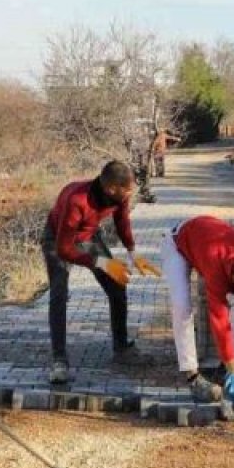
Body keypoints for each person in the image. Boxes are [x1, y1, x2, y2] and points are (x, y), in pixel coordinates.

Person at [41, 160, 159, 384]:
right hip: (57, 238)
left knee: (117, 285)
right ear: (111, 188)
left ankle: (122, 348)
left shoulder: (120, 196)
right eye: (127, 190)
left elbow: (122, 221)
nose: (130, 193)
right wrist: (102, 264)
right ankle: (59, 359)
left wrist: (133, 253)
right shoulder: (78, 200)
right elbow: (64, 249)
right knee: (59, 295)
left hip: (88, 236)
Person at [161, 215, 234, 409]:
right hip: (178, 244)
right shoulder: (217, 269)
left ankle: (229, 372)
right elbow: (220, 324)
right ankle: (193, 377)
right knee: (182, 307)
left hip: (205, 240)